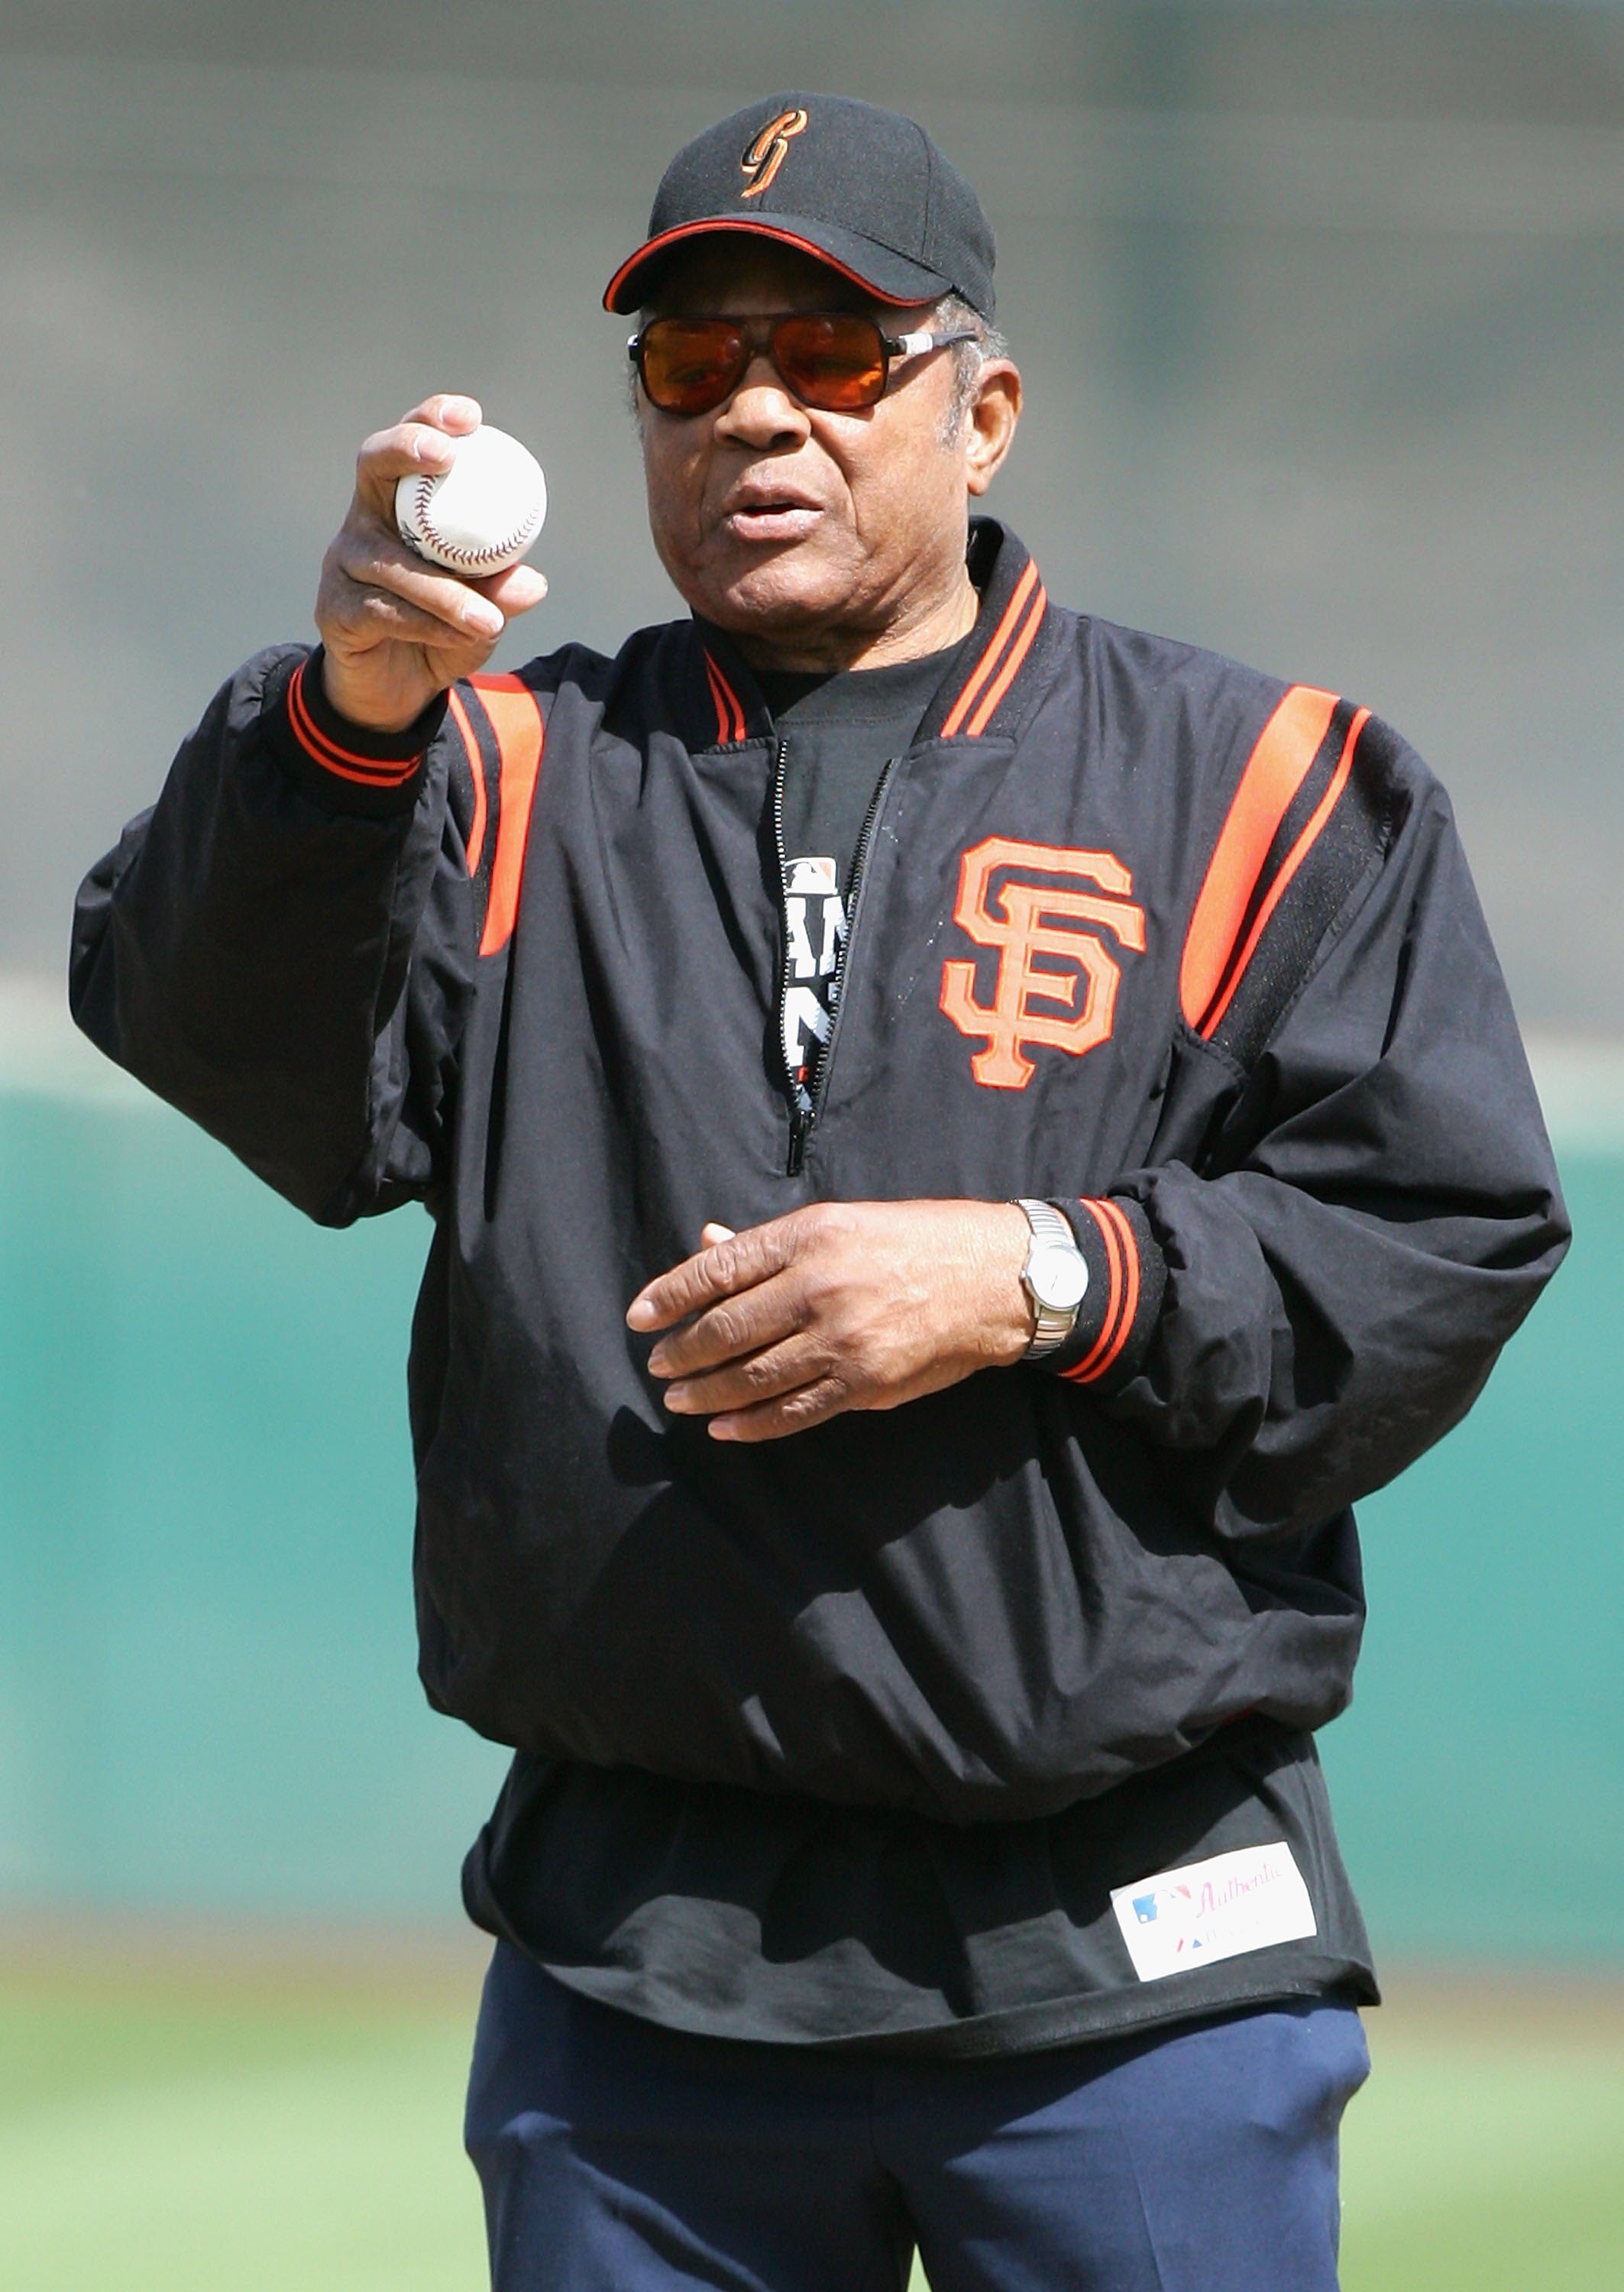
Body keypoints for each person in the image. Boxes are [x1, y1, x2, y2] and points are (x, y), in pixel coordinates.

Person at [72, 91, 1567, 2292]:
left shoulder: (1258, 781)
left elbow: (1433, 1232)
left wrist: (1053, 1273)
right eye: (694, 365)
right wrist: (350, 708)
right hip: (645, 1969)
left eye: (833, 353)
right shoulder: (498, 768)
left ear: (985, 413)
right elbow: (216, 1032)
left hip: (1127, 1959)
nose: (757, 413)